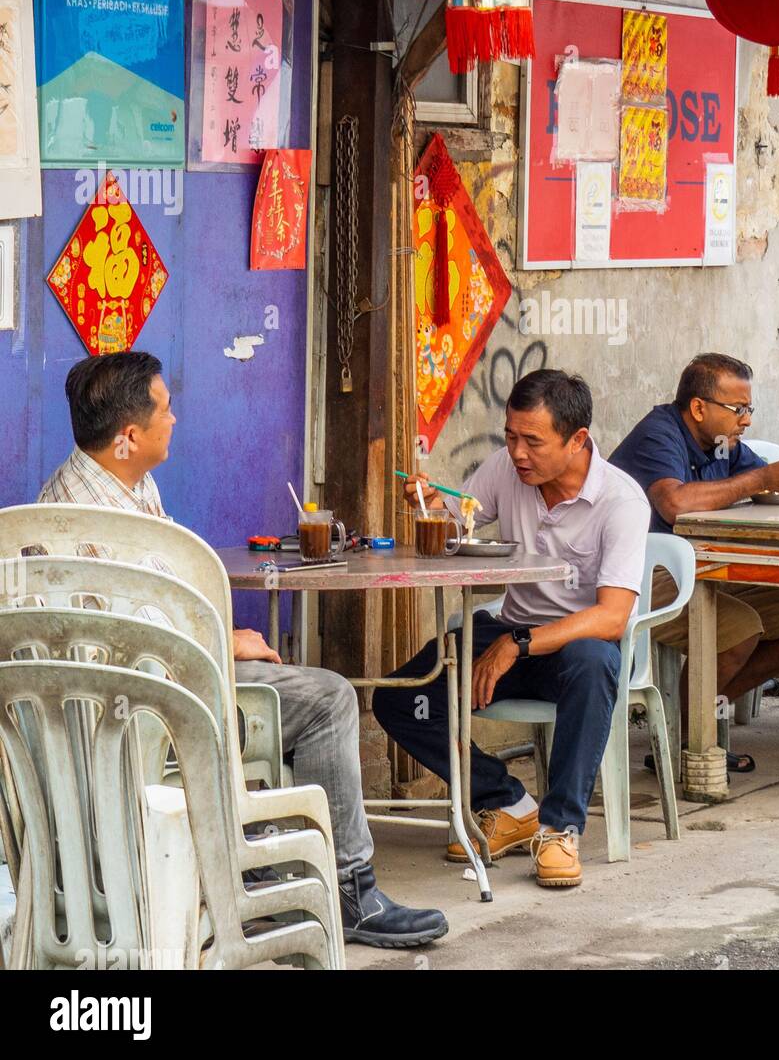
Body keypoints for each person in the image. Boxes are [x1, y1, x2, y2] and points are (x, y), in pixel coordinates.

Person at [38, 350, 447, 950]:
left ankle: (266, 871)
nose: (173, 419)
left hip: (137, 693)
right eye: (165, 409)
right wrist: (225, 641)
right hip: (140, 710)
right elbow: (141, 637)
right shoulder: (90, 514)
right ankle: (348, 889)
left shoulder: (119, 484)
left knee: (277, 676)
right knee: (328, 698)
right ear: (129, 435)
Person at [374, 369, 650, 889]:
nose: (518, 453)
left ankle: (559, 827)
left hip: (573, 646)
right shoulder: (507, 469)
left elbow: (613, 617)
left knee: (594, 664)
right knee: (400, 698)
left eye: (533, 441)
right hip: (512, 632)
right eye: (510, 436)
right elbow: (459, 520)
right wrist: (430, 506)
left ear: (578, 440)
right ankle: (508, 801)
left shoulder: (622, 501)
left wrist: (517, 644)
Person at [610, 353, 779, 773]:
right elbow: (674, 504)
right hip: (638, 574)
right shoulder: (659, 435)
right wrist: (760, 480)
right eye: (738, 409)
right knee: (739, 629)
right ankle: (689, 742)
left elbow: (777, 485)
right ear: (698, 408)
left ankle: (689, 722)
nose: (745, 420)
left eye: (750, 409)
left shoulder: (721, 443)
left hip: (704, 571)